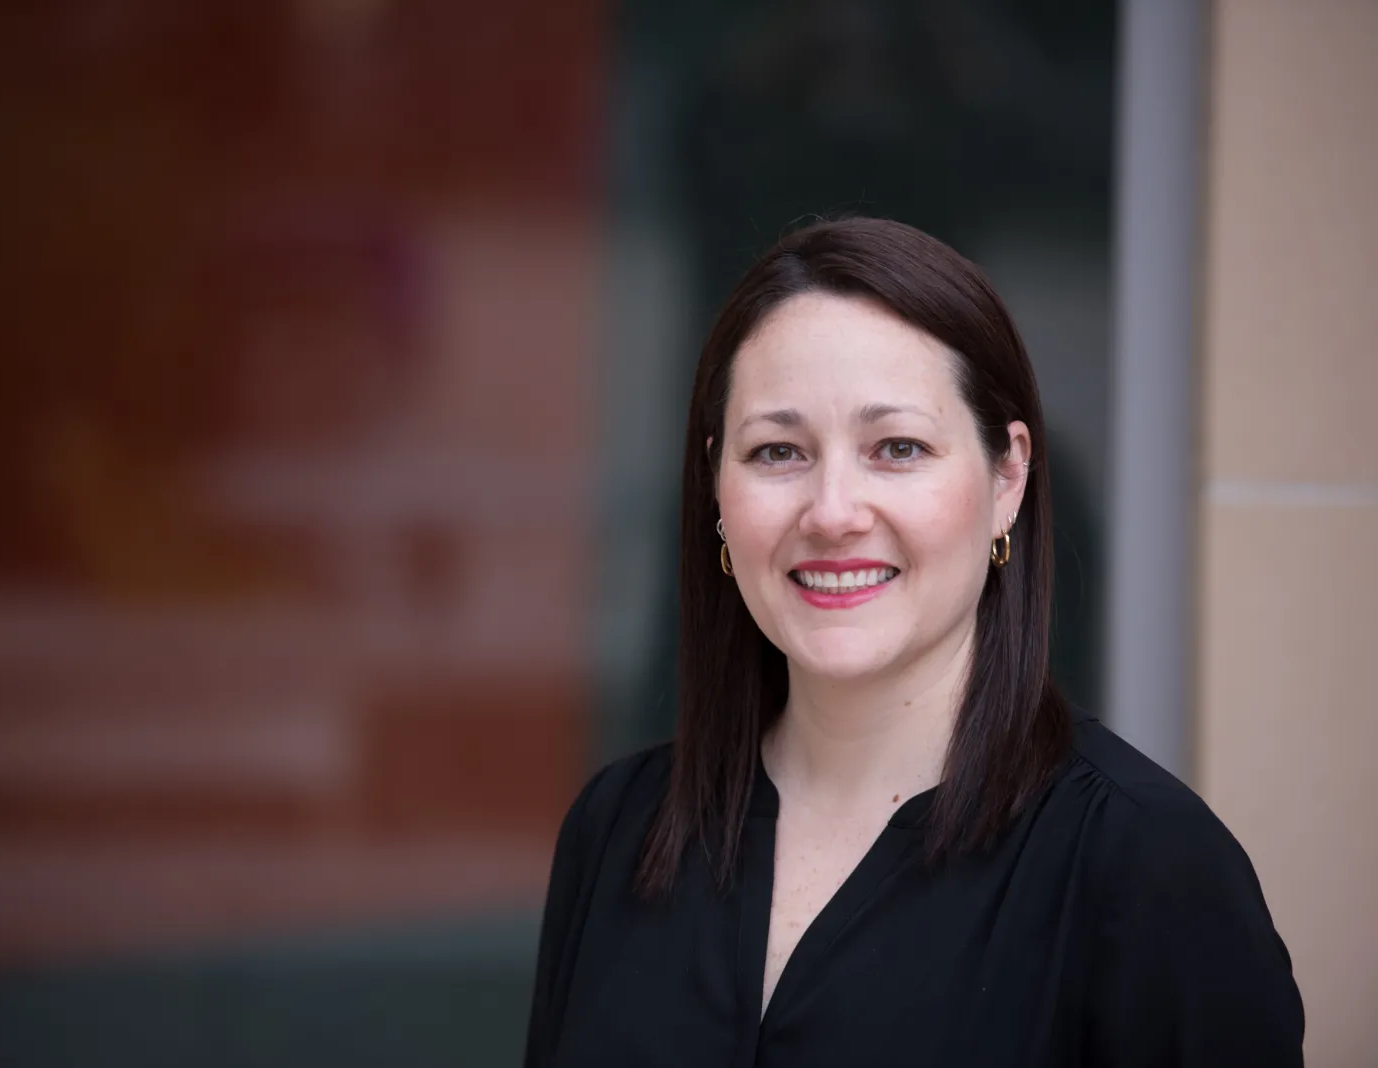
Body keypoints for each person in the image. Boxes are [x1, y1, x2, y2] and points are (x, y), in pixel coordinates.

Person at [523, 218, 1303, 1066]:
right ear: (715, 484)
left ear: (1008, 477)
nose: (832, 512)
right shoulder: (617, 831)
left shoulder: (1150, 869)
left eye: (897, 448)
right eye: (778, 451)